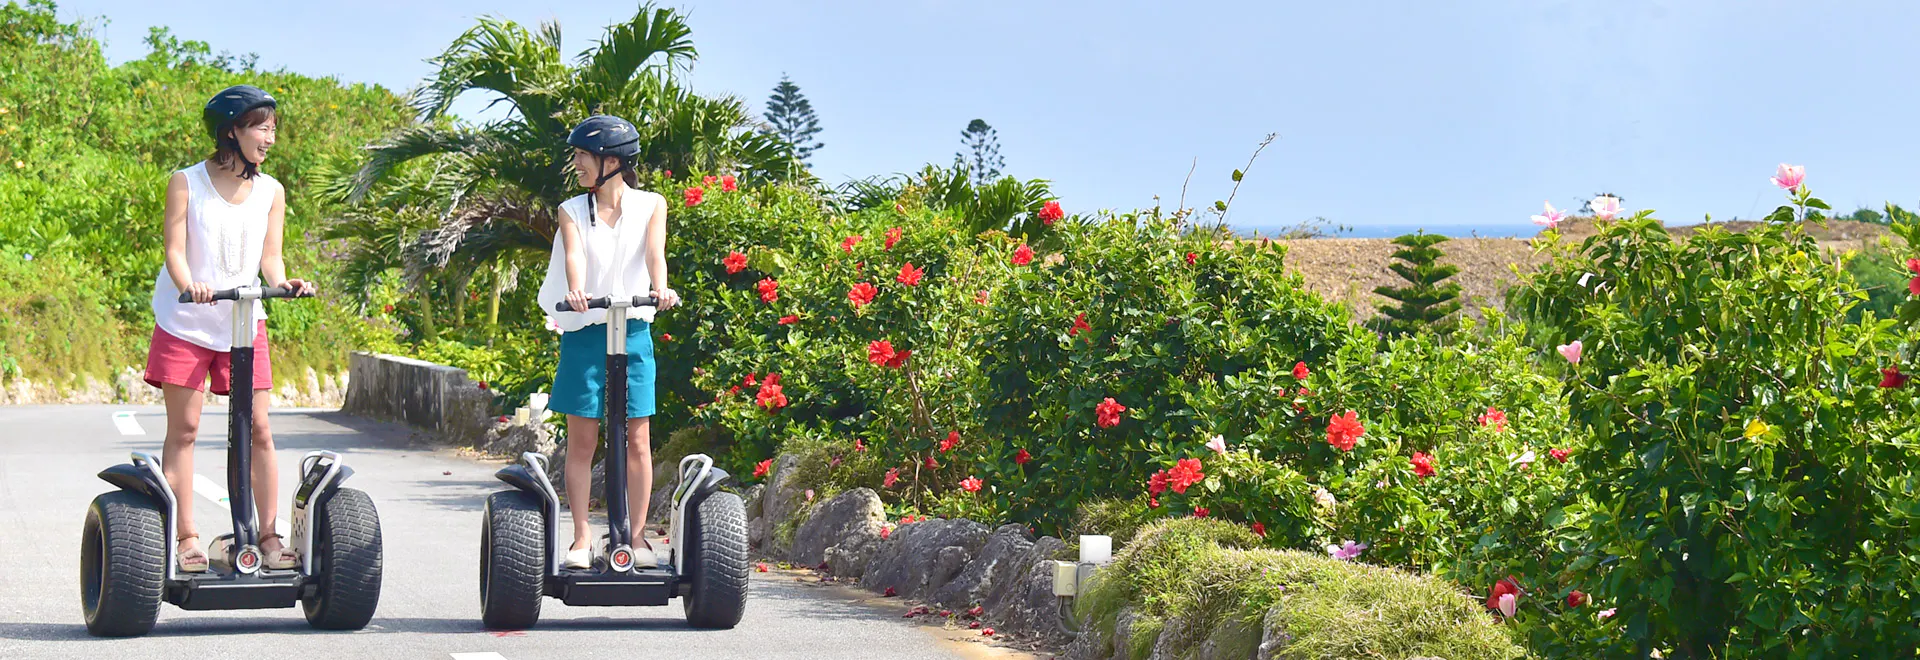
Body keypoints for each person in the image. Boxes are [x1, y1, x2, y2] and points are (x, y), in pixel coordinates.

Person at [143, 84, 316, 573]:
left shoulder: (271, 191)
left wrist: (284, 283)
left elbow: (271, 258)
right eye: (262, 128)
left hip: (243, 318)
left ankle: (268, 536)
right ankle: (186, 538)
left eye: (273, 129)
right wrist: (190, 285)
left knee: (258, 427)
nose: (270, 138)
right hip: (185, 320)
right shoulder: (186, 182)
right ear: (232, 131)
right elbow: (174, 250)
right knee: (185, 429)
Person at [537, 114, 681, 569]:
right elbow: (574, 255)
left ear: (612, 161)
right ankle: (581, 538)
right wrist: (576, 290)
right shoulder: (571, 210)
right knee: (582, 440)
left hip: (633, 330)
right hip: (585, 332)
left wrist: (661, 288)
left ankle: (637, 538)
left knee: (638, 439)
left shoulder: (651, 204)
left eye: (584, 156)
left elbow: (655, 254)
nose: (577, 164)